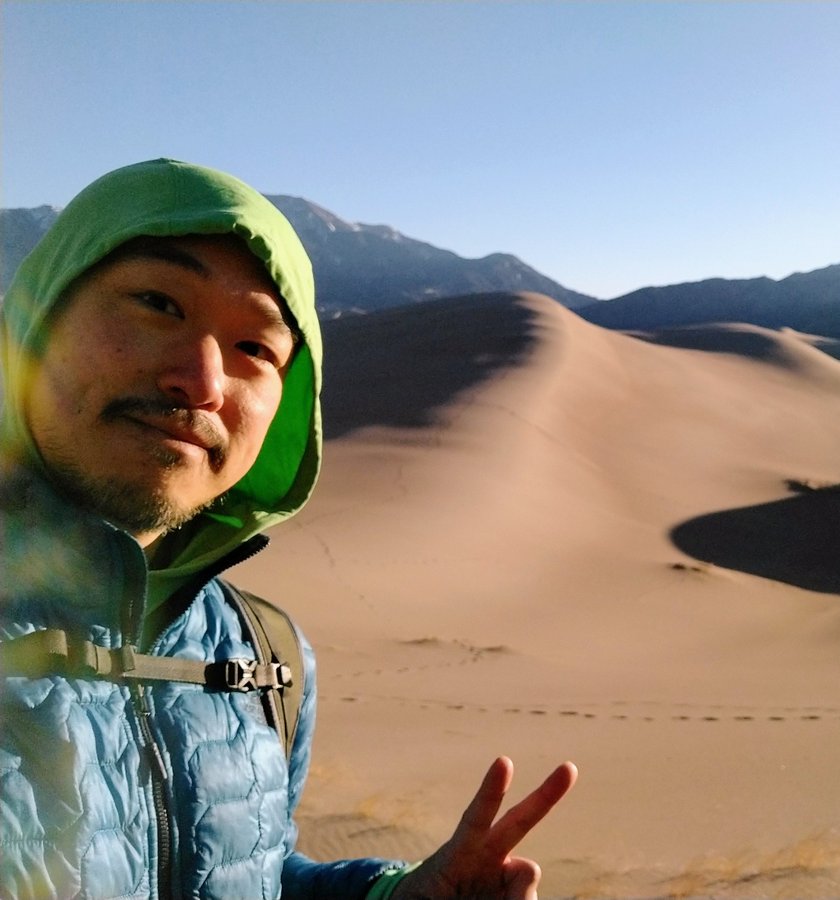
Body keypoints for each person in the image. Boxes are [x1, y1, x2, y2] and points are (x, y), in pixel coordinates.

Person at [0, 158, 576, 899]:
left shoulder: (266, 657)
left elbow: (253, 872)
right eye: (157, 302)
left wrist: (391, 896)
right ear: (32, 323)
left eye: (255, 350)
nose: (202, 382)